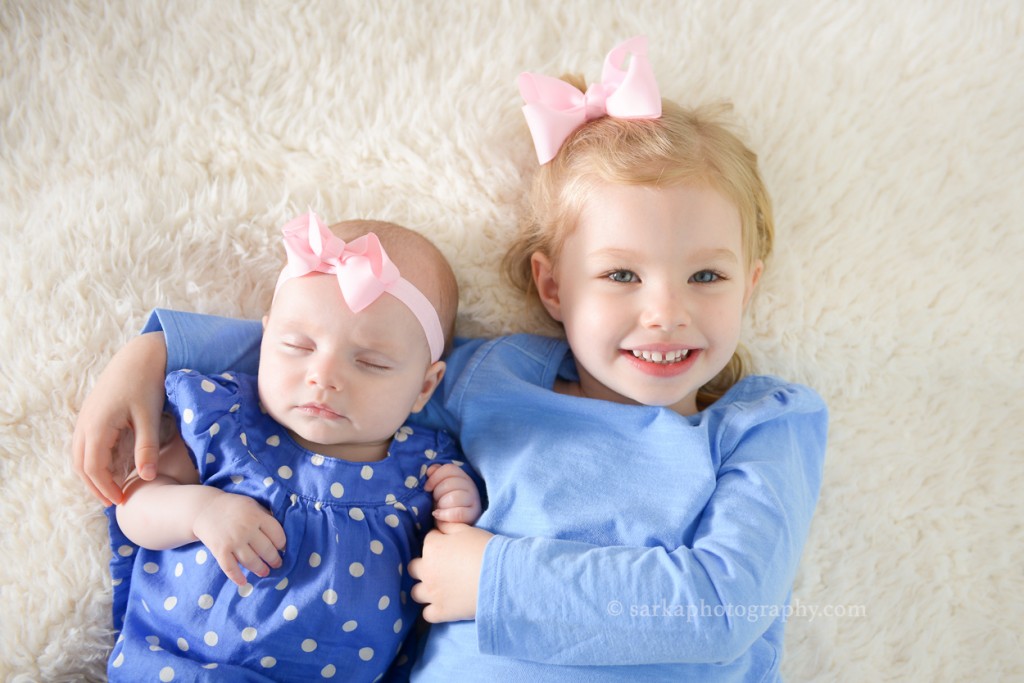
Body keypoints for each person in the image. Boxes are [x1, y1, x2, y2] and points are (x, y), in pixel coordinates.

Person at [75, 37, 827, 682]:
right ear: (553, 287)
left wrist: (490, 578)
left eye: (708, 276)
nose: (666, 311)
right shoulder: (493, 377)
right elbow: (355, 352)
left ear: (749, 285)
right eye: (622, 275)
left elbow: (725, 606)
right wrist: (160, 348)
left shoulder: (761, 426)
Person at [103, 212, 481, 682]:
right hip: (178, 669)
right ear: (264, 341)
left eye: (371, 363)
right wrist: (199, 511)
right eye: (298, 345)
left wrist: (461, 502)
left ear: (425, 387)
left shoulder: (425, 470)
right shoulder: (228, 426)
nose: (324, 376)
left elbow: (453, 562)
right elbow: (132, 507)